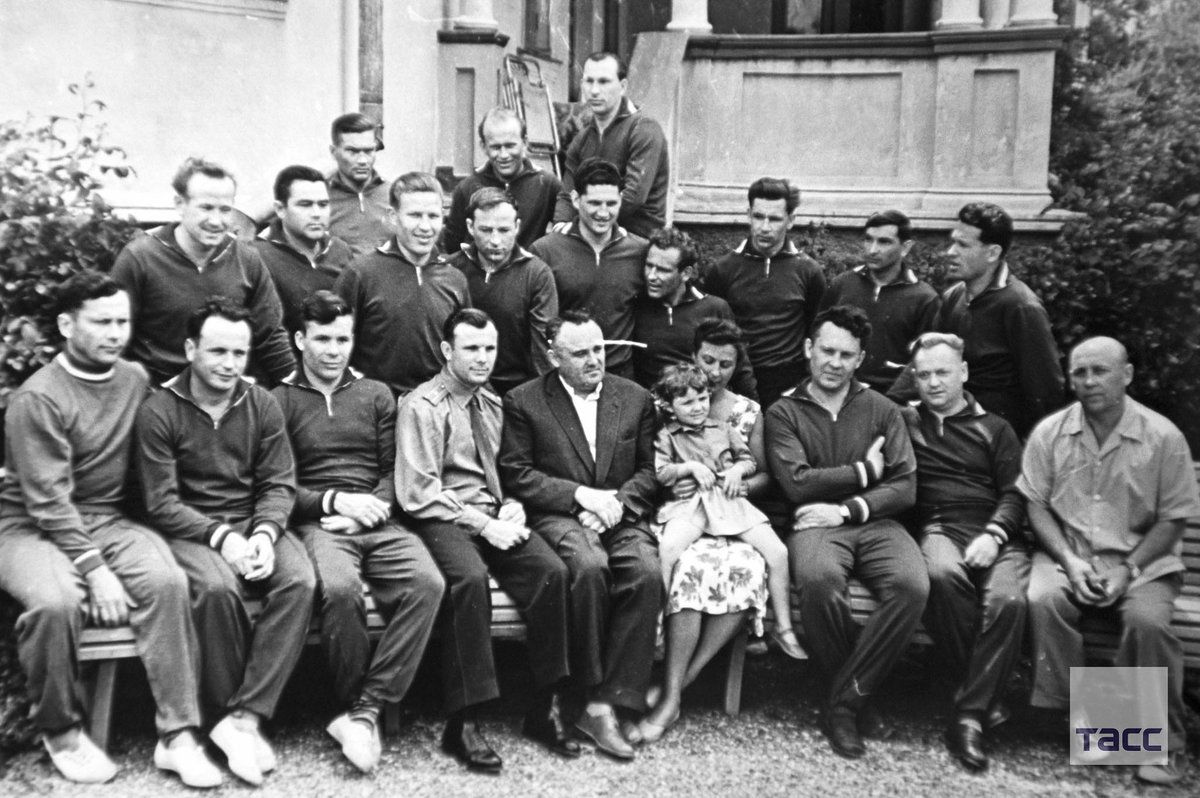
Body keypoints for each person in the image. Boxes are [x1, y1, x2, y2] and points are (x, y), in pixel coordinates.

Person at [0, 273, 220, 787]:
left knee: (167, 582)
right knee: (56, 603)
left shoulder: (134, 379)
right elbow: (49, 503)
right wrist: (96, 571)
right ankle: (61, 731)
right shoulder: (38, 399)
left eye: (122, 321)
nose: (116, 333)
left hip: (105, 517)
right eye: (102, 322)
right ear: (66, 325)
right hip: (28, 525)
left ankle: (178, 735)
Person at [134, 299, 317, 787]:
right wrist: (223, 538)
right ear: (190, 349)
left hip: (252, 523)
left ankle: (245, 719)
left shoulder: (261, 403)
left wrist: (264, 534)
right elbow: (160, 502)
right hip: (191, 528)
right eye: (217, 351)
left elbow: (278, 483)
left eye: (239, 353)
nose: (229, 364)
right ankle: (220, 714)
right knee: (216, 589)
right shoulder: (159, 409)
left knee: (299, 581)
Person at [271, 291, 444, 773]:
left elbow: (394, 470)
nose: (334, 350)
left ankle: (365, 712)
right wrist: (333, 502)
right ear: (299, 340)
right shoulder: (277, 400)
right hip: (321, 523)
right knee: (341, 589)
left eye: (343, 339)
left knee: (427, 584)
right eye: (322, 339)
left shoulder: (376, 394)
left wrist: (372, 508)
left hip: (376, 517)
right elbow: (278, 484)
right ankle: (354, 707)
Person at [397, 309, 575, 772]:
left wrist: (514, 503)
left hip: (495, 515)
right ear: (447, 351)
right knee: (470, 580)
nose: (482, 358)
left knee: (552, 572)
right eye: (471, 348)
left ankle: (545, 706)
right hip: (443, 518)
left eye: (489, 348)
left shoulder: (493, 403)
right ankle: (465, 719)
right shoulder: (422, 406)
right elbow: (418, 493)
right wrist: (483, 524)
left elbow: (510, 469)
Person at [1020, 336, 1199, 786]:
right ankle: (1087, 724)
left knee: (1146, 623)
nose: (1088, 381)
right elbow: (1035, 504)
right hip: (1071, 556)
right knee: (1043, 599)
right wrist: (1068, 560)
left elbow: (1173, 520)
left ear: (1127, 375)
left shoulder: (1163, 437)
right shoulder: (1051, 432)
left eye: (1099, 371)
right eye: (1079, 372)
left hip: (1144, 565)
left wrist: (1128, 570)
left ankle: (1162, 742)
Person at [764, 305, 926, 759]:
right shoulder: (784, 410)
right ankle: (856, 700)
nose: (835, 362)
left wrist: (848, 508)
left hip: (875, 520)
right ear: (808, 349)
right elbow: (797, 482)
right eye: (827, 351)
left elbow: (905, 485)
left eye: (846, 355)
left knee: (911, 586)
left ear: (860, 359)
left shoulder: (882, 408)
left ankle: (844, 703)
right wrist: (863, 471)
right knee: (819, 581)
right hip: (812, 523)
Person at [499, 310, 661, 761]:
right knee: (588, 567)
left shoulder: (634, 398)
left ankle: (607, 701)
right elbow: (517, 473)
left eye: (599, 349)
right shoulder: (524, 400)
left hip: (619, 513)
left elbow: (650, 471)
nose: (594, 360)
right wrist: (579, 497)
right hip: (559, 514)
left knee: (646, 572)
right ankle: (584, 692)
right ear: (554, 357)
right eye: (581, 353)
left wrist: (617, 506)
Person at [639, 320, 776, 743]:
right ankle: (667, 676)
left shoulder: (747, 412)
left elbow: (764, 474)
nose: (715, 372)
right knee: (687, 568)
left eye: (726, 364)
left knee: (745, 570)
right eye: (708, 360)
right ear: (693, 357)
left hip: (731, 515)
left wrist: (734, 483)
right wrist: (676, 480)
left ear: (738, 366)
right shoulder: (662, 404)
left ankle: (675, 689)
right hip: (682, 514)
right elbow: (647, 466)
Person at [902, 332, 1028, 771]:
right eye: (924, 375)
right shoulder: (905, 422)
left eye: (943, 372)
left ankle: (969, 703)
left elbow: (1016, 493)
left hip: (996, 530)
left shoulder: (995, 428)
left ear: (964, 372)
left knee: (1010, 599)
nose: (934, 383)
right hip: (941, 525)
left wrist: (994, 535)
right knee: (941, 575)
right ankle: (976, 713)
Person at [651, 363, 804, 661]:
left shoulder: (724, 429)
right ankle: (656, 626)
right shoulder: (667, 436)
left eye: (702, 399)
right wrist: (689, 468)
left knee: (778, 552)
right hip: (692, 505)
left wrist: (737, 471)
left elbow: (750, 461)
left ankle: (783, 628)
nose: (698, 407)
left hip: (729, 503)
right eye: (687, 402)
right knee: (668, 550)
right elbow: (661, 472)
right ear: (669, 407)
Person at [111, 157, 294, 386]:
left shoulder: (246, 260)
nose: (216, 221)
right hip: (156, 394)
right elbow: (113, 334)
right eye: (206, 208)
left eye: (225, 210)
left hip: (224, 391)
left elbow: (271, 338)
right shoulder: (140, 258)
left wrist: (298, 391)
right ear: (180, 204)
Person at [890, 202, 1063, 438]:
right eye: (953, 242)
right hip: (950, 430)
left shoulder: (1020, 306)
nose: (950, 252)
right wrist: (892, 404)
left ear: (992, 253)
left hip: (998, 439)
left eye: (963, 245)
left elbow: (1045, 390)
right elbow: (926, 355)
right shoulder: (954, 296)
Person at [334, 172, 471, 396]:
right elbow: (334, 345)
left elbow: (463, 349)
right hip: (377, 406)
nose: (425, 226)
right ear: (393, 216)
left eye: (433, 216)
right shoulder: (360, 274)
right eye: (415, 215)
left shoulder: (454, 279)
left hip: (437, 406)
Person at [705, 177, 827, 408]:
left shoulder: (808, 271)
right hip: (736, 384)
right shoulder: (723, 270)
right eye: (758, 217)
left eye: (775, 219)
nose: (764, 227)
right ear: (748, 215)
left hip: (788, 385)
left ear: (790, 220)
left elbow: (816, 332)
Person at [532, 158, 647, 380]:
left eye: (611, 204)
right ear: (576, 199)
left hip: (621, 377)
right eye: (594, 203)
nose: (603, 213)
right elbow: (538, 328)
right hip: (567, 376)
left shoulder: (640, 251)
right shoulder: (545, 251)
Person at [447, 187, 558, 395]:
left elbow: (543, 350)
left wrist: (543, 397)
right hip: (460, 387)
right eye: (486, 230)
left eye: (504, 230)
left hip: (517, 389)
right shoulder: (450, 270)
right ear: (470, 227)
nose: (495, 241)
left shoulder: (536, 274)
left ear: (517, 227)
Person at [819, 210, 940, 395]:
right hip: (839, 393)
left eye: (884, 242)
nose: (872, 250)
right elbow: (819, 339)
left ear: (905, 247)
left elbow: (927, 359)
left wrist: (896, 400)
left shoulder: (924, 298)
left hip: (892, 399)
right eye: (868, 240)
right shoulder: (842, 285)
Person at [631, 227, 756, 400]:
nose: (651, 276)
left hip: (701, 407)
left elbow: (740, 368)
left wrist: (753, 408)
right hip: (651, 408)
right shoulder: (636, 307)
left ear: (686, 273)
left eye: (663, 270)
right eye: (649, 266)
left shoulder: (714, 308)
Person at [552, 52, 668, 238]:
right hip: (593, 233)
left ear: (622, 86)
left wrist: (580, 226)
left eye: (604, 82)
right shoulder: (582, 138)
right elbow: (567, 193)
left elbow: (633, 197)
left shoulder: (643, 129)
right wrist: (561, 225)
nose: (594, 91)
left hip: (637, 239)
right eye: (589, 81)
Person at [253, 165, 354, 344]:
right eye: (305, 205)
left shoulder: (340, 250)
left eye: (323, 205)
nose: (316, 214)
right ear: (280, 209)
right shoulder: (258, 256)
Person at [443, 107, 562, 255]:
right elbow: (453, 244)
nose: (504, 155)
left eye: (510, 146)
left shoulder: (547, 184)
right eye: (495, 147)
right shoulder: (467, 188)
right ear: (483, 147)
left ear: (525, 142)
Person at [326, 112, 391, 255]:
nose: (362, 160)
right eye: (353, 151)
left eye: (368, 151)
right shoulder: (320, 198)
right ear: (333, 152)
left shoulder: (393, 194)